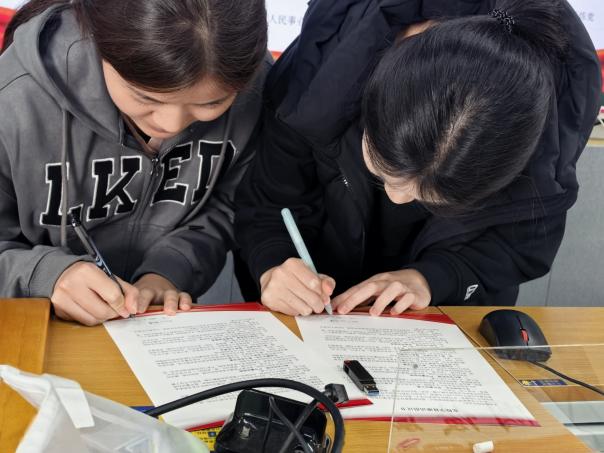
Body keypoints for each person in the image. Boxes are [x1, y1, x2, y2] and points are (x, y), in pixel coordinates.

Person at [235, 0, 601, 317]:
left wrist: (434, 278)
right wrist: (272, 264)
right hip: (316, 313)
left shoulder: (545, 130)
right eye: (384, 170)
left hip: (445, 319)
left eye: (433, 198)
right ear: (368, 99)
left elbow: (521, 246)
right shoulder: (319, 77)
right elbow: (267, 204)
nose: (397, 198)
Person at [0, 0, 269, 325]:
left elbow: (228, 204)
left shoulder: (254, 85)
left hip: (157, 328)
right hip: (33, 330)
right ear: (101, 47)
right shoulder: (14, 98)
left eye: (211, 103)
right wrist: (43, 275)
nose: (171, 125)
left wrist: (168, 271)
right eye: (146, 97)